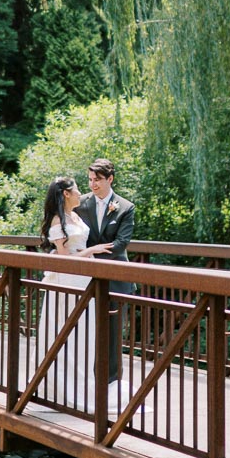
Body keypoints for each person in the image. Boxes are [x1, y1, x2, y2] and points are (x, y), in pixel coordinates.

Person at [34, 176, 113, 413]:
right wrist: (91, 251)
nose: (81, 192)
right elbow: (64, 257)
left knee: (84, 336)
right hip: (66, 279)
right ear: (66, 194)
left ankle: (82, 387)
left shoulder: (75, 216)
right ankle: (60, 390)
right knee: (66, 333)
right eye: (77, 189)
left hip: (82, 278)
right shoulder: (58, 220)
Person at [75, 158, 136, 382]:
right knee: (83, 330)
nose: (93, 184)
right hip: (84, 278)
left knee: (112, 335)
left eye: (98, 180)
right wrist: (86, 252)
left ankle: (110, 384)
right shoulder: (79, 204)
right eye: (90, 179)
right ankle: (84, 381)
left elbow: (121, 243)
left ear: (110, 179)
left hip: (115, 279)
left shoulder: (126, 207)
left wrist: (92, 252)